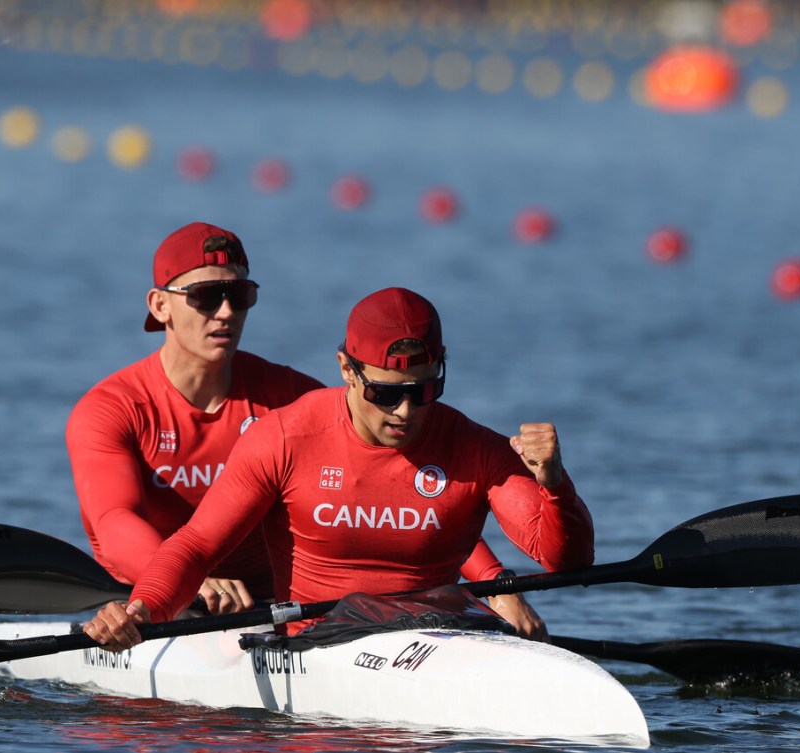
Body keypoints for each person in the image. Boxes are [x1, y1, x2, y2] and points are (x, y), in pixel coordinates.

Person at [67, 226, 538, 629]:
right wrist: (190, 583)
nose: (227, 312)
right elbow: (114, 522)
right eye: (207, 297)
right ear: (160, 305)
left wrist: (495, 584)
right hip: (150, 600)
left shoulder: (290, 399)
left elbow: (413, 486)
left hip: (270, 605)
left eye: (241, 296)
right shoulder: (113, 409)